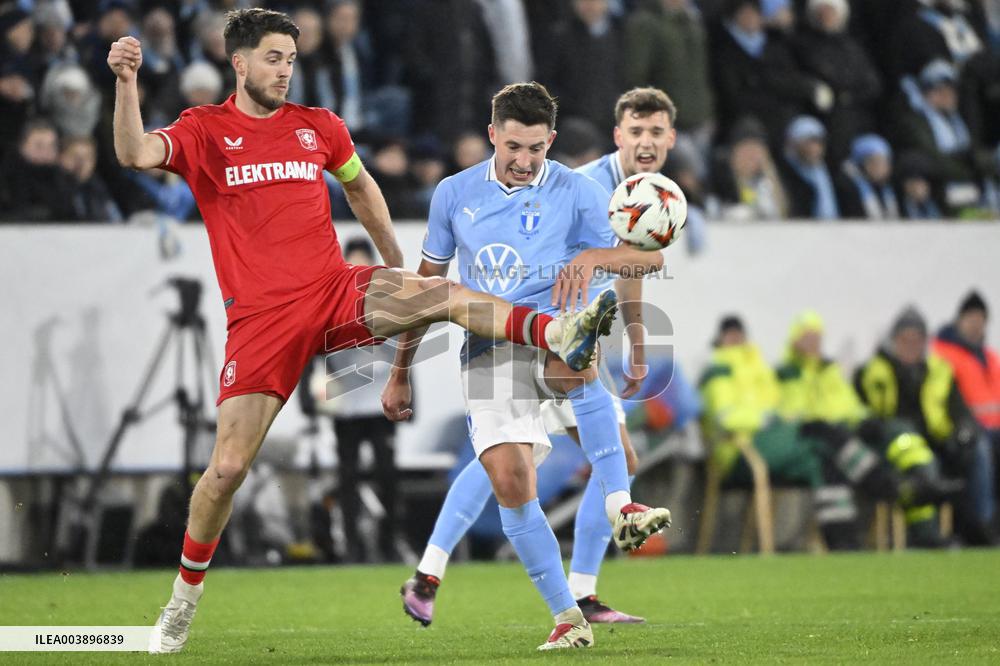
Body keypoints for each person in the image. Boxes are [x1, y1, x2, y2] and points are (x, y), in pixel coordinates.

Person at [107, 10, 618, 654]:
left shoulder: (318, 127)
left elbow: (363, 190)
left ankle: (557, 333)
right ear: (238, 64)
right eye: (272, 58)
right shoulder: (205, 131)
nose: (284, 70)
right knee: (228, 468)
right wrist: (126, 82)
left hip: (333, 290)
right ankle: (181, 603)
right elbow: (132, 153)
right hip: (263, 321)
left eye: (290, 59)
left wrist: (394, 268)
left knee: (442, 293)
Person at [381, 82, 671, 650]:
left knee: (574, 363)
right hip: (489, 348)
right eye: (513, 147)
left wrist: (590, 257)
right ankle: (568, 616)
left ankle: (620, 507)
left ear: (551, 142)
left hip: (559, 333)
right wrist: (399, 370)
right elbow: (427, 288)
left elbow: (648, 255)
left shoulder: (575, 189)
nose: (523, 160)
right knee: (512, 480)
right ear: (492, 135)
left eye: (536, 149)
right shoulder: (452, 195)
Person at [856, 306, 996, 545]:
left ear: (925, 342)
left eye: (917, 340)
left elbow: (960, 412)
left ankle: (980, 528)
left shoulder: (939, 370)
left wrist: (965, 431)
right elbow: (859, 411)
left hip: (936, 441)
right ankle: (927, 534)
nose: (911, 345)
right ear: (893, 341)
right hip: (892, 446)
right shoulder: (872, 372)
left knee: (978, 448)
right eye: (905, 339)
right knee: (916, 452)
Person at [298, 238, 401, 563]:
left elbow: (405, 354)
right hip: (346, 408)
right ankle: (353, 548)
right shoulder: (332, 306)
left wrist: (410, 403)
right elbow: (312, 351)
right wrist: (307, 399)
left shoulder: (390, 306)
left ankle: (388, 543)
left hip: (380, 405)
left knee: (388, 477)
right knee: (347, 478)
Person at [932, 291, 1000, 524]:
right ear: (959, 320)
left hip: (993, 431)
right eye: (971, 320)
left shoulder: (991, 358)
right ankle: (984, 522)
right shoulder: (943, 355)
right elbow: (948, 401)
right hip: (962, 431)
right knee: (979, 450)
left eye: (981, 321)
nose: (976, 326)